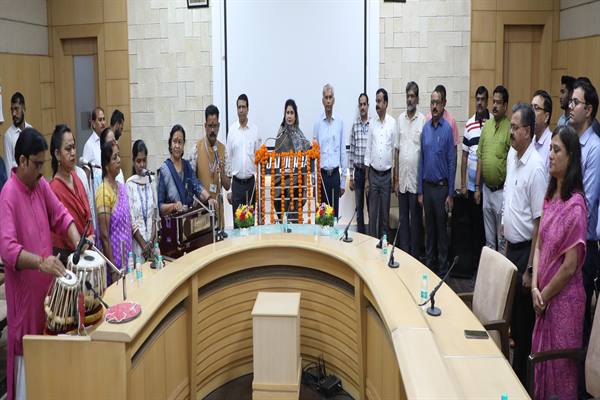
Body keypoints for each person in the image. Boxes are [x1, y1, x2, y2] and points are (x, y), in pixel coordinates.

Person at [0, 127, 81, 400]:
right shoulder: (8, 194)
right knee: (29, 382)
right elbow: (7, 250)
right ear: (22, 161)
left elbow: (61, 215)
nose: (40, 171)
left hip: (47, 300)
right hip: (25, 306)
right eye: (36, 164)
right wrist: (41, 263)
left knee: (49, 378)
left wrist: (78, 242)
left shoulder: (40, 185)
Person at [531, 125, 587, 400]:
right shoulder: (549, 196)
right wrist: (534, 288)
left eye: (557, 150)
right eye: (550, 149)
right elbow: (539, 244)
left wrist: (544, 294)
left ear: (571, 157)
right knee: (542, 368)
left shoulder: (575, 206)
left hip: (564, 303)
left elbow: (570, 265)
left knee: (560, 374)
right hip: (543, 298)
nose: (550, 155)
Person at [503, 103, 547, 384]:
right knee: (510, 322)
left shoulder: (537, 168)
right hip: (510, 248)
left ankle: (522, 385)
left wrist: (531, 269)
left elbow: (539, 224)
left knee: (522, 326)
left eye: (515, 127)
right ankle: (511, 376)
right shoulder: (512, 155)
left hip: (526, 253)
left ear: (528, 131)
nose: (511, 132)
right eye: (511, 126)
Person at [568, 78, 600, 344]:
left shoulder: (595, 149)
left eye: (575, 102)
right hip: (566, 240)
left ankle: (581, 369)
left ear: (588, 110)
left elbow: (584, 204)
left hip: (583, 245)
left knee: (579, 319)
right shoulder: (571, 142)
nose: (570, 106)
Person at [418, 88, 456, 276]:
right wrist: (420, 191)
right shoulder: (425, 129)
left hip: (441, 190)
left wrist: (450, 194)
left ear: (443, 104)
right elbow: (421, 161)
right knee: (429, 231)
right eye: (432, 102)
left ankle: (442, 272)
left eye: (437, 103)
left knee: (441, 232)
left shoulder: (448, 130)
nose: (434, 106)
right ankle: (429, 269)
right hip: (427, 189)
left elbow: (451, 162)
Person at [49, 124, 95, 264]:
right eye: (68, 149)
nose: (73, 152)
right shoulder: (53, 189)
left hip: (88, 250)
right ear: (57, 154)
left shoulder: (77, 177)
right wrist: (80, 243)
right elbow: (61, 233)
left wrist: (91, 236)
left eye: (74, 147)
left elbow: (88, 213)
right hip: (68, 260)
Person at [475, 85, 511, 253]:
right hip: (486, 190)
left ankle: (502, 270)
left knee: (501, 240)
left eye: (499, 103)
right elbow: (480, 157)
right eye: (493, 102)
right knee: (489, 241)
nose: (494, 106)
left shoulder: (509, 128)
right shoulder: (487, 126)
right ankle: (491, 270)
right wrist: (477, 187)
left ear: (505, 106)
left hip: (501, 192)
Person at [459, 86, 489, 268]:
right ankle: (472, 265)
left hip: (487, 187)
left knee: (484, 229)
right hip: (470, 187)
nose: (479, 102)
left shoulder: (492, 123)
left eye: (482, 99)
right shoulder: (469, 124)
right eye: (477, 99)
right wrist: (463, 183)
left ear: (487, 101)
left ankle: (484, 265)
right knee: (472, 226)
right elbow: (464, 156)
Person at [189, 105, 231, 233]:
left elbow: (227, 186)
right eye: (210, 126)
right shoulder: (196, 149)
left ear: (219, 126)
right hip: (201, 211)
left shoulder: (223, 150)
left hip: (218, 210)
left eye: (215, 126)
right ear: (205, 126)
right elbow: (191, 182)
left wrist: (222, 173)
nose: (212, 130)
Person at [158, 124, 215, 216]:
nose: (177, 146)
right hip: (173, 221)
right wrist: (173, 206)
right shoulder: (164, 170)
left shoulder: (187, 166)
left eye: (180, 142)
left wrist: (209, 199)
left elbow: (197, 186)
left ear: (183, 145)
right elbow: (160, 207)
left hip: (189, 219)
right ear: (170, 144)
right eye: (174, 141)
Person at [395, 81, 425, 258]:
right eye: (408, 96)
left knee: (416, 224)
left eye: (412, 96)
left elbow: (424, 154)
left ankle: (415, 258)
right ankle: (405, 256)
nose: (410, 99)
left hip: (415, 182)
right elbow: (397, 151)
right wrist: (396, 179)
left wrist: (421, 186)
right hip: (403, 182)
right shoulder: (400, 120)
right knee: (403, 221)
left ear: (418, 99)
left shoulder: (422, 121)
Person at [96, 141, 132, 284]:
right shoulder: (103, 192)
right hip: (114, 265)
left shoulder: (121, 187)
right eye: (114, 158)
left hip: (127, 258)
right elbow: (104, 236)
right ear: (106, 165)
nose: (119, 160)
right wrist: (113, 270)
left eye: (119, 156)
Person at [274, 99, 311, 222]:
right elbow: (277, 164)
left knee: (295, 224)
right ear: (284, 115)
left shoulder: (300, 135)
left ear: (296, 115)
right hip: (282, 189)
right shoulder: (280, 135)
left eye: (292, 113)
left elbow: (305, 162)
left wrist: (304, 188)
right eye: (287, 113)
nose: (289, 116)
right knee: (284, 225)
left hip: (297, 187)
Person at [366, 88, 396, 239]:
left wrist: (395, 178)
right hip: (373, 175)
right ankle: (371, 244)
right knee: (372, 215)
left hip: (386, 177)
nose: (377, 104)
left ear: (386, 103)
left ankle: (383, 245)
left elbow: (395, 152)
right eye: (376, 101)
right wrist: (367, 179)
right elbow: (368, 151)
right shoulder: (372, 123)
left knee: (384, 215)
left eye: (379, 101)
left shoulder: (392, 123)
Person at [314, 84, 346, 218]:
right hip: (321, 177)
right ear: (322, 100)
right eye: (326, 97)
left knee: (334, 216)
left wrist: (343, 181)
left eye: (330, 97)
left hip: (335, 176)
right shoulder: (317, 123)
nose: (328, 100)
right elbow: (314, 153)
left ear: (334, 100)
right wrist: (314, 181)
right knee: (322, 216)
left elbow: (343, 151)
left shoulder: (340, 121)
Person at [226, 94, 259, 224]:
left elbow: (259, 160)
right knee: (237, 225)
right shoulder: (232, 131)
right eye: (239, 107)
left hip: (251, 185)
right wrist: (229, 190)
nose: (241, 110)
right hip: (236, 185)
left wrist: (259, 186)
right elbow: (228, 160)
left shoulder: (255, 130)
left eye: (243, 107)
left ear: (248, 109)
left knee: (250, 224)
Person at [126, 140, 157, 259]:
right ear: (133, 161)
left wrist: (151, 242)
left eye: (144, 160)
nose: (142, 165)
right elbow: (131, 220)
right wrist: (144, 245)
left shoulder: (151, 181)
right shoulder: (129, 184)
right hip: (138, 245)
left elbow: (155, 215)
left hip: (152, 243)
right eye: (138, 161)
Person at [348, 93, 370, 234]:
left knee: (371, 207)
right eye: (360, 104)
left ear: (368, 106)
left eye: (364, 104)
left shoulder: (373, 124)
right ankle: (361, 237)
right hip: (358, 173)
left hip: (370, 174)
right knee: (359, 209)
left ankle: (372, 238)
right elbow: (351, 152)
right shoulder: (355, 126)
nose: (362, 107)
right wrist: (351, 176)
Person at [4, 92, 32, 176]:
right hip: (17, 180)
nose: (13, 113)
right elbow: (8, 166)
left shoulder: (30, 130)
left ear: (23, 108)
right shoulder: (8, 135)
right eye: (12, 110)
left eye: (16, 109)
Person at [531, 90, 553, 168]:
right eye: (531, 107)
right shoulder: (530, 140)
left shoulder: (551, 144)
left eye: (536, 108)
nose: (531, 112)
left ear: (546, 117)